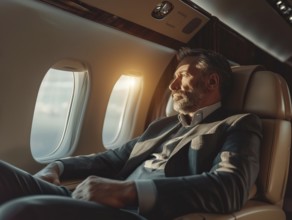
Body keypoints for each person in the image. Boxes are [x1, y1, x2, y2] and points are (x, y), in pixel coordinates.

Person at [0, 48, 262, 220]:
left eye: (181, 75)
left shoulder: (238, 124)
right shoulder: (162, 125)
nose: (171, 86)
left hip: (137, 213)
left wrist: (129, 191)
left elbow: (230, 188)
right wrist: (55, 166)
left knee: (21, 211)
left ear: (212, 82)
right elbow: (110, 159)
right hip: (96, 200)